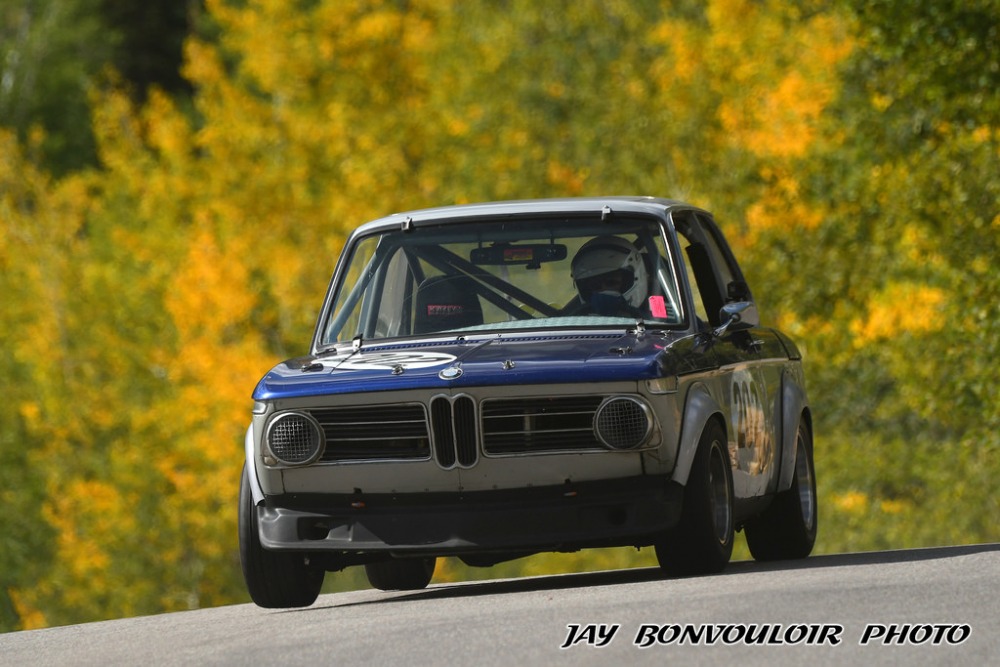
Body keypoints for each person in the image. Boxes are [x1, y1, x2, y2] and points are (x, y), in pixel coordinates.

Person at [570, 236, 649, 316]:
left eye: (612, 282)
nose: (604, 290)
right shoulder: (578, 321)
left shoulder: (657, 320)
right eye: (594, 285)